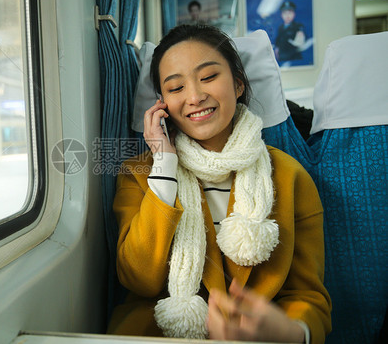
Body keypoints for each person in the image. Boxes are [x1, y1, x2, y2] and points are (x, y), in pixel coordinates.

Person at [107, 24, 331, 343]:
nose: (195, 97)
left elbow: (308, 298)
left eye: (209, 77)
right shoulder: (140, 174)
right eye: (175, 88)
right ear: (161, 105)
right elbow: (138, 279)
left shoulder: (288, 175)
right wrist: (164, 166)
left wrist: (290, 332)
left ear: (238, 84)